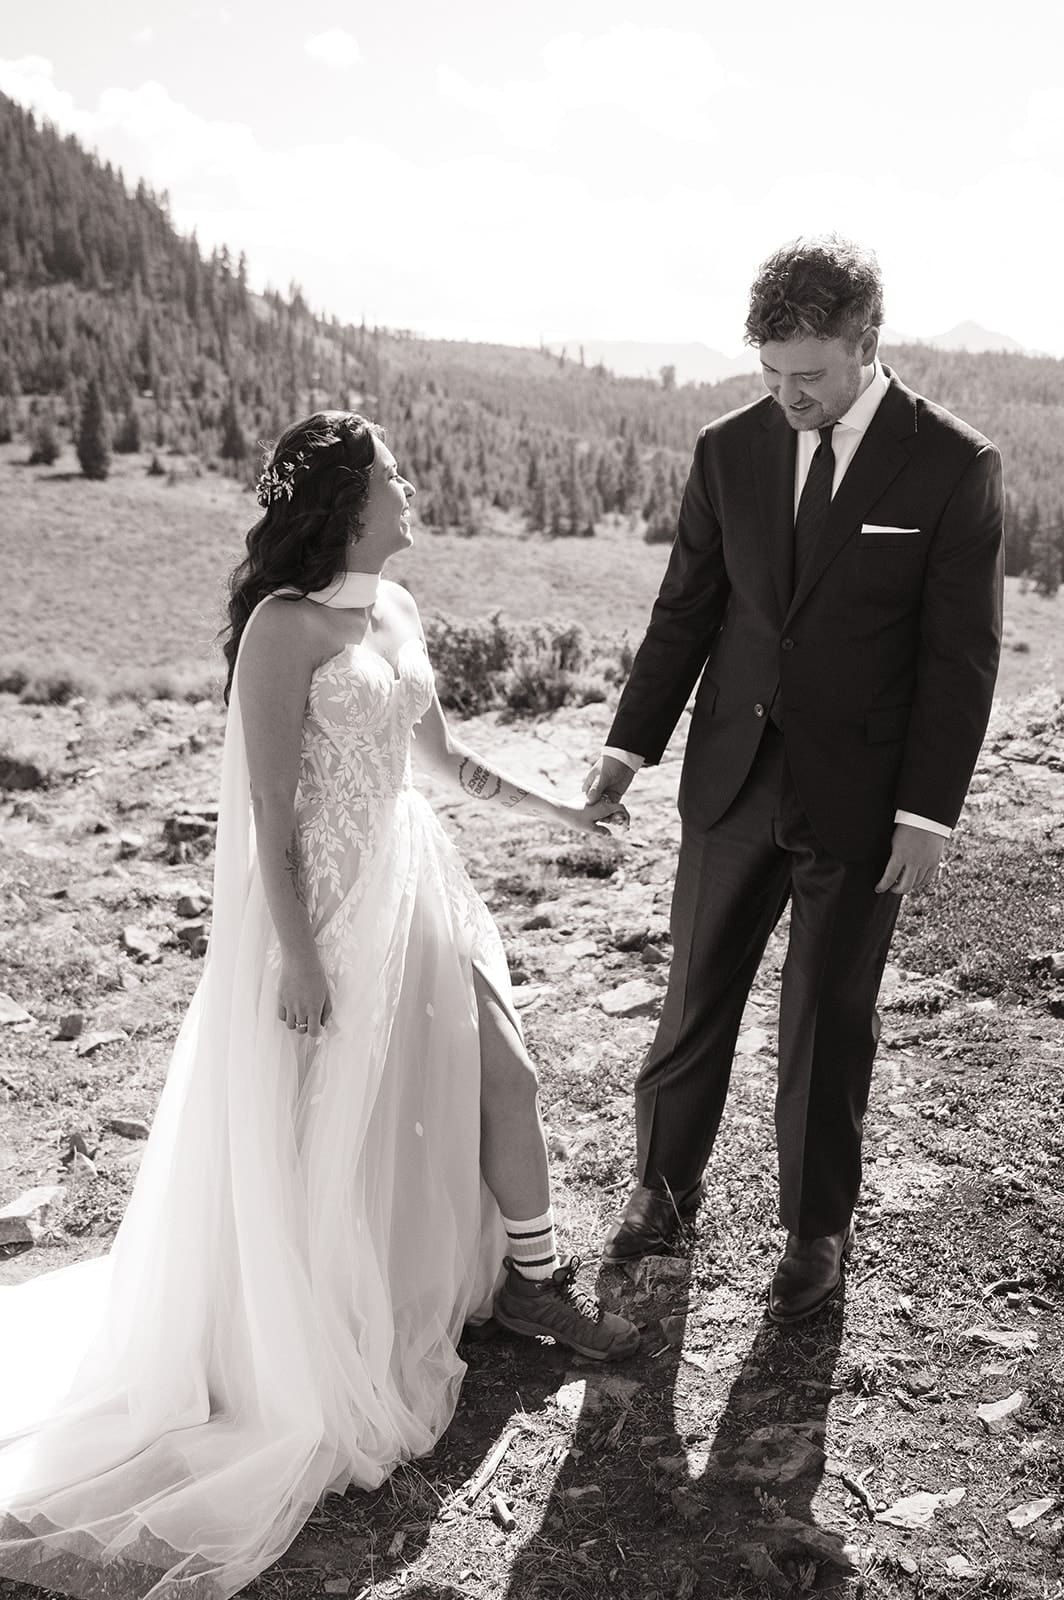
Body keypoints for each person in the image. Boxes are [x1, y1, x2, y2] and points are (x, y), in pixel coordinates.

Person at [0, 412, 638, 1600]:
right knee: (326, 1132)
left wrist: (560, 812)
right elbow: (270, 815)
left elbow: (436, 759)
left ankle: (532, 1285)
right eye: (393, 473)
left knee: (505, 1069)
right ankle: (301, 1329)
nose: (411, 485)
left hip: (417, 889)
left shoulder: (395, 612)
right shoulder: (281, 630)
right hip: (324, 916)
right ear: (348, 500)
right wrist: (295, 956)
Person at [586, 236, 1003, 1322]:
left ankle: (814, 1232)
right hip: (729, 780)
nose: (785, 396)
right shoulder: (728, 448)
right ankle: (660, 1195)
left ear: (866, 345)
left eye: (806, 376)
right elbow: (685, 608)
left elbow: (959, 658)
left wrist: (926, 814)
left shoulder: (951, 464)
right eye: (768, 373)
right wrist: (625, 749)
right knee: (691, 1001)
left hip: (863, 802)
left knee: (825, 1017)